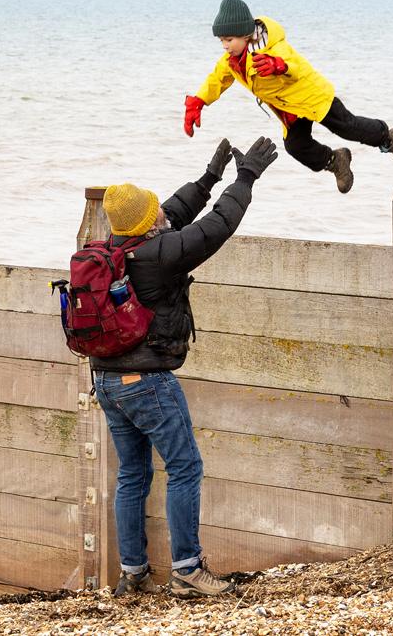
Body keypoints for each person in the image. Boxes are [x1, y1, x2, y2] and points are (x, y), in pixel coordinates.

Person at [91, 136, 279, 598]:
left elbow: (174, 213)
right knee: (185, 468)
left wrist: (210, 175)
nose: (162, 212)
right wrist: (246, 177)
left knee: (133, 474)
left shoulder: (116, 247)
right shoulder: (160, 256)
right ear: (144, 225)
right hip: (147, 381)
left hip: (107, 380)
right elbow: (217, 226)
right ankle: (188, 571)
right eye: (153, 210)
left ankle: (133, 574)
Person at [182, 0, 393, 194]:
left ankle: (391, 138)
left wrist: (279, 66)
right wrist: (199, 101)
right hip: (290, 110)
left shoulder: (273, 47)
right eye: (221, 40)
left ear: (246, 34)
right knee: (295, 145)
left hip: (312, 96)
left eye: (229, 40)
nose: (224, 45)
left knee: (347, 127)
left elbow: (296, 67)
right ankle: (337, 161)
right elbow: (217, 79)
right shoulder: (232, 61)